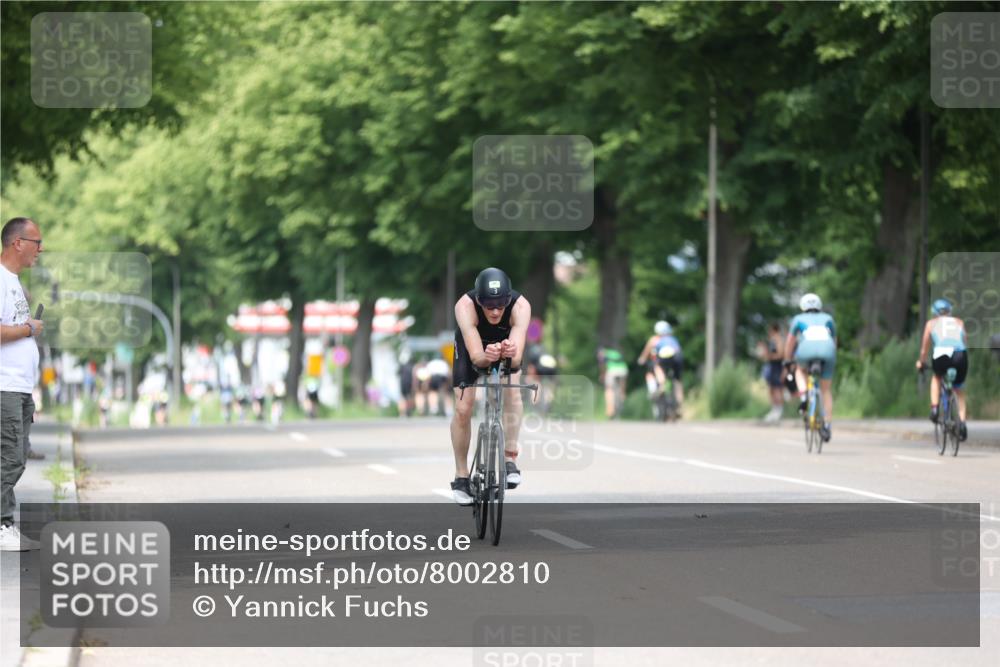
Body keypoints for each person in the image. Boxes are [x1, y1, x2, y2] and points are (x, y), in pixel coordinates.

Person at [449, 267, 531, 505]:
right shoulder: (464, 307)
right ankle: (462, 476)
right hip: (472, 346)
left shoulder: (520, 307)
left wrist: (508, 353)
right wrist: (487, 355)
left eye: (500, 305)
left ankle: (510, 459)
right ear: (478, 300)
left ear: (508, 300)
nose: (495, 311)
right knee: (463, 408)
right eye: (488, 305)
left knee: (513, 394)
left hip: (506, 344)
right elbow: (476, 358)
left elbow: (515, 361)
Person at [0, 217, 44, 551]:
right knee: (10, 457)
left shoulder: (13, 282)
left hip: (19, 386)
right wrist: (29, 330)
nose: (40, 250)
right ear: (18, 243)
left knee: (16, 455)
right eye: (36, 243)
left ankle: (4, 525)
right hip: (5, 385)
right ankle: (2, 526)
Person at [783, 293, 837, 443]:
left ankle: (804, 394)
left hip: (806, 351)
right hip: (828, 352)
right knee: (825, 390)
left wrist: (787, 361)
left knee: (799, 370)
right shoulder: (828, 318)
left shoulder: (798, 319)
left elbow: (790, 343)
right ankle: (826, 424)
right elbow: (834, 341)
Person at [916, 298, 968, 441]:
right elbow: (965, 341)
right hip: (960, 355)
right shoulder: (959, 322)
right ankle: (962, 424)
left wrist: (921, 362)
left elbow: (924, 348)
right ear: (949, 311)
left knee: (937, 377)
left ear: (934, 313)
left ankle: (934, 408)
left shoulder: (931, 324)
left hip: (941, 355)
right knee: (959, 390)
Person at [637, 321, 684, 413]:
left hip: (663, 358)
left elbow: (646, 353)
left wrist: (642, 359)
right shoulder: (673, 339)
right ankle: (679, 404)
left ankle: (662, 384)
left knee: (657, 367)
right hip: (677, 357)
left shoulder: (655, 339)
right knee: (678, 381)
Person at [761, 322, 786, 423]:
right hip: (771, 366)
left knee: (777, 389)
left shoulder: (779, 339)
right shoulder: (771, 340)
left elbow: (780, 354)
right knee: (771, 388)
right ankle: (774, 409)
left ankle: (779, 410)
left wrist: (769, 356)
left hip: (777, 366)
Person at [597, 347, 628, 419]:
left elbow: (602, 365)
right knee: (620, 389)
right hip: (623, 370)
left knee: (609, 389)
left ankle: (610, 410)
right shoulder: (614, 353)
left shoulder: (602, 354)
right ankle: (622, 396)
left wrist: (602, 375)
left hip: (612, 371)